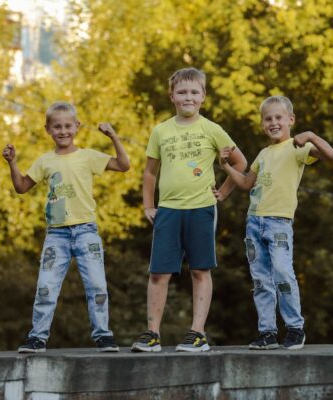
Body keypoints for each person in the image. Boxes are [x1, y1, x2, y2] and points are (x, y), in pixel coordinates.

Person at [131, 67, 247, 353]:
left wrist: (223, 192)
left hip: (201, 209)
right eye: (182, 92)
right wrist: (148, 204)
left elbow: (241, 164)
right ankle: (152, 334)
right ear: (172, 96)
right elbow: (149, 173)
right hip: (168, 210)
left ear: (203, 96)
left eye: (194, 92)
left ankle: (197, 334)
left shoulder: (212, 129)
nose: (188, 97)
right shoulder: (161, 130)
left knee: (199, 270)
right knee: (158, 273)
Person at [2, 101, 130, 353]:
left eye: (68, 126)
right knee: (46, 287)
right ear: (48, 129)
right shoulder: (45, 161)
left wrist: (113, 136)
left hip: (86, 232)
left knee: (96, 285)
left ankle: (103, 335)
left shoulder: (88, 156)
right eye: (57, 126)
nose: (63, 131)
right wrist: (12, 163)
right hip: (56, 235)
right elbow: (21, 187)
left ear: (77, 127)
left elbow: (123, 165)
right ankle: (37, 337)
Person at [218, 95, 333, 350]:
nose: (273, 122)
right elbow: (247, 183)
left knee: (283, 272)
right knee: (260, 279)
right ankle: (267, 332)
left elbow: (331, 155)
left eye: (278, 118)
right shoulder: (262, 153)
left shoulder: (298, 147)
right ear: (262, 124)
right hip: (254, 222)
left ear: (290, 120)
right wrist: (226, 167)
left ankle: (295, 328)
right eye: (268, 119)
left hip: (279, 223)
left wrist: (311, 136)